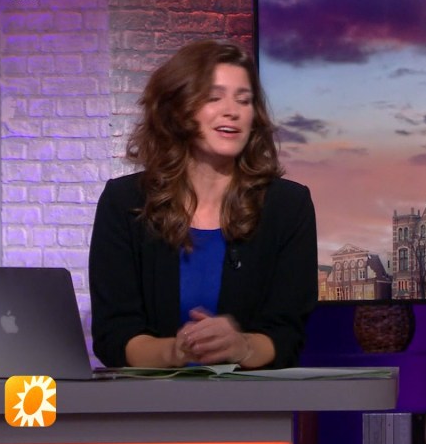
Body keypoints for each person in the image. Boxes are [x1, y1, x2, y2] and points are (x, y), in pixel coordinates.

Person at [89, 39, 317, 369]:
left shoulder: (287, 206)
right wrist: (177, 351)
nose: (232, 111)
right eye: (214, 97)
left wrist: (242, 347)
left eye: (244, 100)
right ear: (178, 109)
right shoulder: (125, 202)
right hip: (150, 399)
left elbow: (287, 335)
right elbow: (114, 337)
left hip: (251, 399)